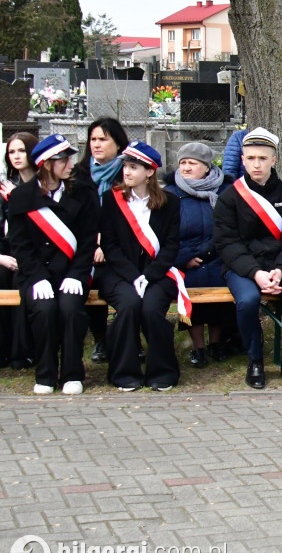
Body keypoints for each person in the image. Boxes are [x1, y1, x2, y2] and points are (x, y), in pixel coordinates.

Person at [213, 128, 282, 389]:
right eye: (251, 158)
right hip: (242, 267)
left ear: (274, 160)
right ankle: (255, 360)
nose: (257, 164)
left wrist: (280, 270)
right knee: (247, 300)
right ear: (242, 159)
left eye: (263, 158)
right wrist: (255, 272)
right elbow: (227, 243)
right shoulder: (229, 198)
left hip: (281, 266)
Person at [7, 134, 99, 394]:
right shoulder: (22, 197)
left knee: (71, 309)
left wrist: (78, 273)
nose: (71, 164)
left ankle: (72, 373)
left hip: (72, 272)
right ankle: (45, 373)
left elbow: (88, 239)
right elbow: (20, 245)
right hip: (37, 275)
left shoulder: (82, 192)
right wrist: (37, 277)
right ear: (47, 163)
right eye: (64, 159)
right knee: (44, 310)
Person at [95, 142, 187, 391]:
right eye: (125, 166)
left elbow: (170, 247)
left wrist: (149, 275)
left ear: (149, 172)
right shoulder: (112, 200)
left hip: (157, 273)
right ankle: (124, 372)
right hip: (118, 273)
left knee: (150, 309)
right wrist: (133, 276)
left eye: (133, 167)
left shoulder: (170, 202)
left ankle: (163, 371)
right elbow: (111, 246)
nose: (126, 172)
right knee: (129, 306)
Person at [163, 142, 236, 368]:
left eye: (192, 163)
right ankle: (198, 347)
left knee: (220, 288)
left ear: (206, 167)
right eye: (182, 163)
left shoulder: (225, 191)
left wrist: (212, 253)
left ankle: (215, 342)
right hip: (185, 261)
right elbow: (166, 232)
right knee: (192, 292)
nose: (185, 168)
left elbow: (231, 227)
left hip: (219, 256)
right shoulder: (170, 193)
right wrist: (185, 257)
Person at [76, 117, 130, 364]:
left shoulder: (129, 172)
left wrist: (106, 245)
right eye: (93, 139)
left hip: (120, 248)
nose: (96, 144)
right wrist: (94, 244)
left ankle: (129, 339)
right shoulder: (78, 174)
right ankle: (101, 339)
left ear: (118, 144)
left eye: (103, 139)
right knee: (87, 280)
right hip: (84, 248)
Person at [0, 132, 38, 368]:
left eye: (21, 150)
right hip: (5, 256)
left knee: (22, 282)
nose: (16, 156)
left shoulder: (45, 187)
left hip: (35, 257)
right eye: (12, 152)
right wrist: (2, 258)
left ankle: (23, 352)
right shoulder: (3, 191)